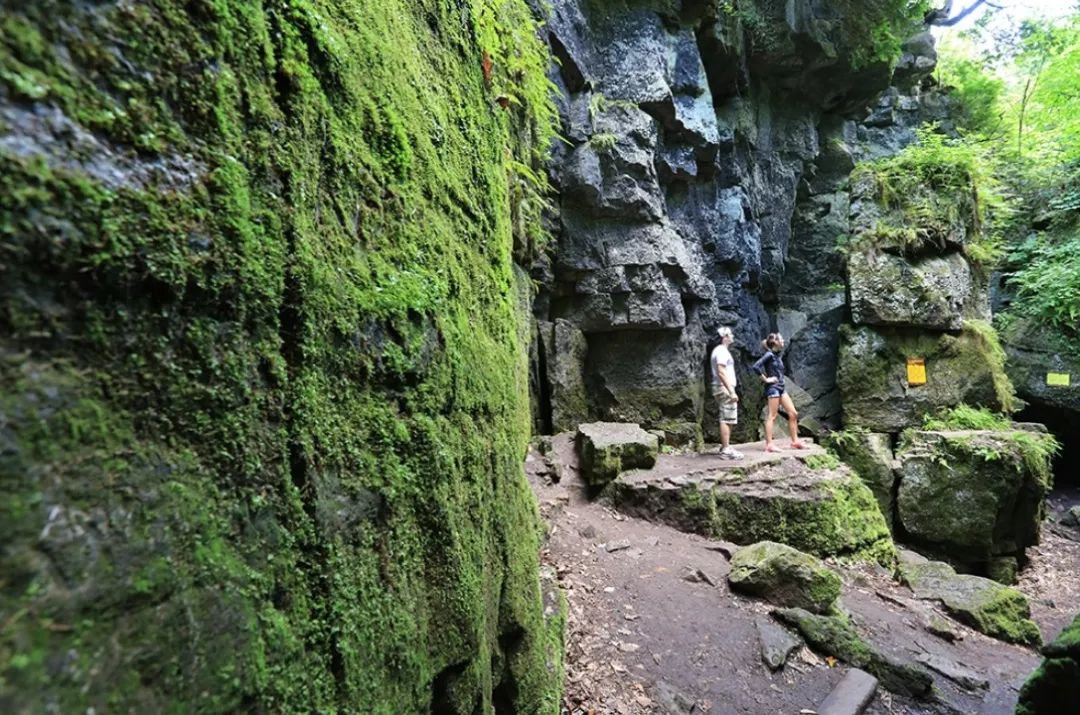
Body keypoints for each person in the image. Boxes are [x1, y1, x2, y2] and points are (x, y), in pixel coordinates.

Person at [751, 332, 806, 453]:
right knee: (772, 416)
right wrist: (766, 379)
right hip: (773, 388)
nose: (783, 341)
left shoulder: (776, 354)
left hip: (781, 388)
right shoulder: (769, 355)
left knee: (793, 413)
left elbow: (765, 343)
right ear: (775, 342)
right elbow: (756, 366)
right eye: (781, 339)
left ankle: (795, 441)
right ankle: (769, 444)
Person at [710, 327, 743, 459]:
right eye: (730, 334)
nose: (732, 336)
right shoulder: (721, 351)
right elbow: (721, 371)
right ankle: (726, 449)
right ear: (724, 337)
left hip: (722, 386)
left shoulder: (720, 351)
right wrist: (731, 391)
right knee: (726, 418)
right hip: (724, 387)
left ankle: (726, 446)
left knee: (728, 417)